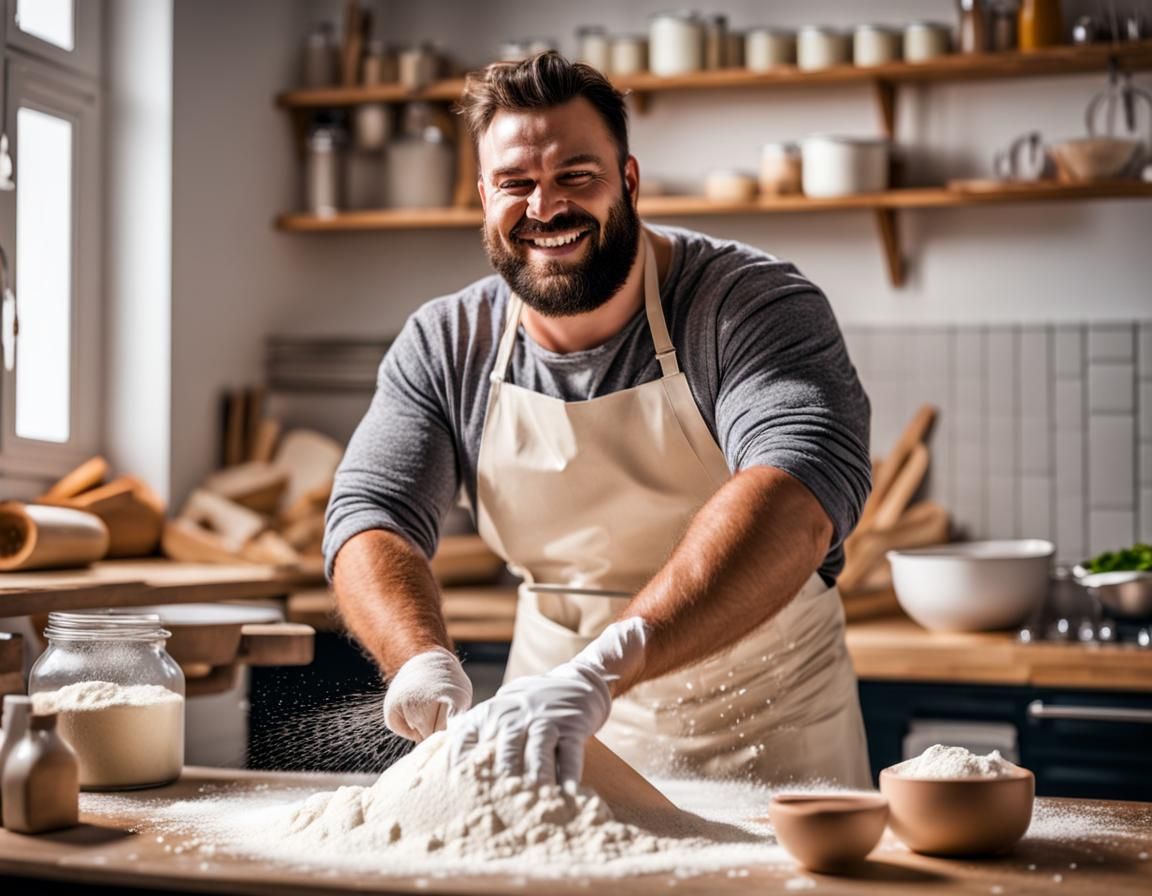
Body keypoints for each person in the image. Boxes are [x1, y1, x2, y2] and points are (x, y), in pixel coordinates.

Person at [324, 52, 872, 789]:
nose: (545, 208)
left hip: (766, 740)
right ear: (484, 196)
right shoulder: (447, 342)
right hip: (547, 736)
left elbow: (799, 492)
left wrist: (610, 665)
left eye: (576, 176)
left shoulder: (747, 306)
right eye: (516, 184)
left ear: (629, 181)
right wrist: (418, 658)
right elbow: (371, 513)